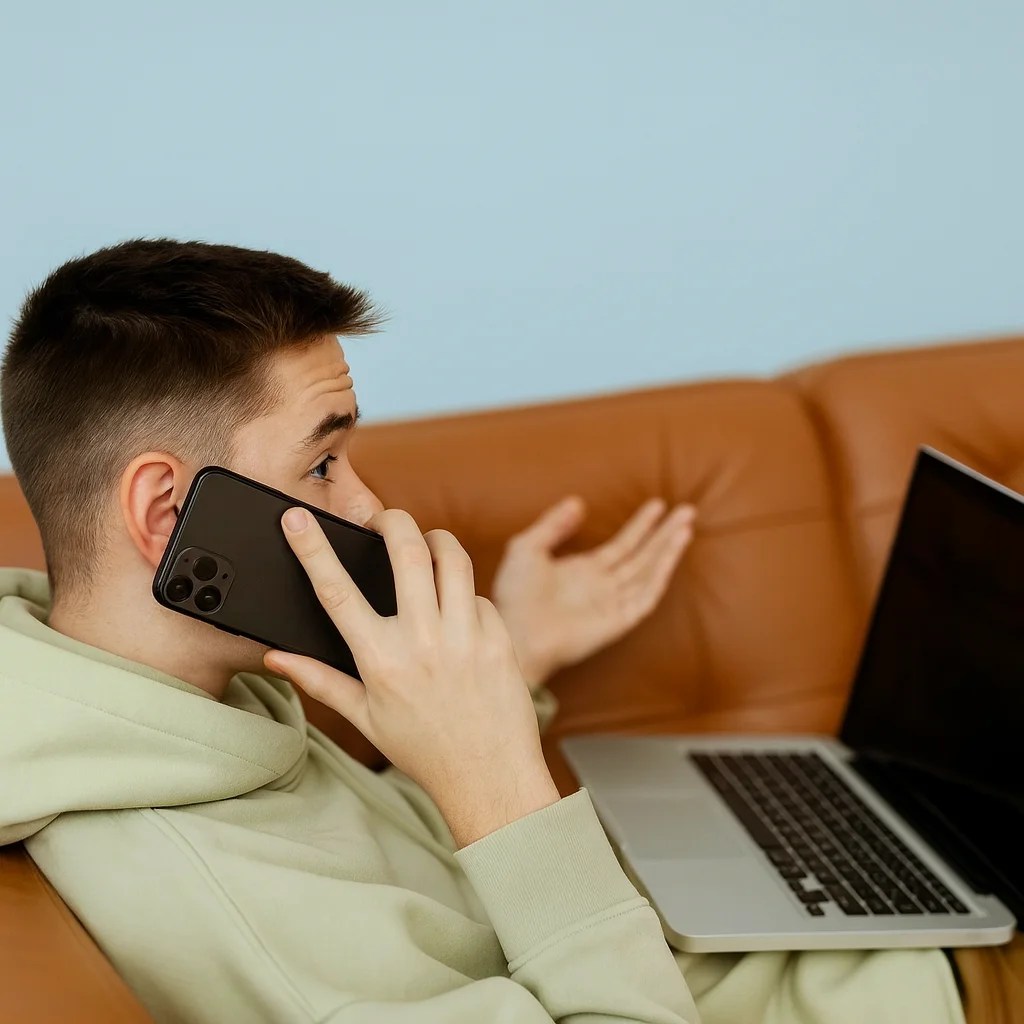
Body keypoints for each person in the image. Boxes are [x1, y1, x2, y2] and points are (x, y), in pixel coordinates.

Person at [0, 240, 976, 1023]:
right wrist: (500, 783)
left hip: (811, 967)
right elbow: (323, 919)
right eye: (323, 464)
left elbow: (385, 879)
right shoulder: (222, 903)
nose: (368, 504)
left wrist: (517, 657)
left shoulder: (142, 706)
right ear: (166, 512)